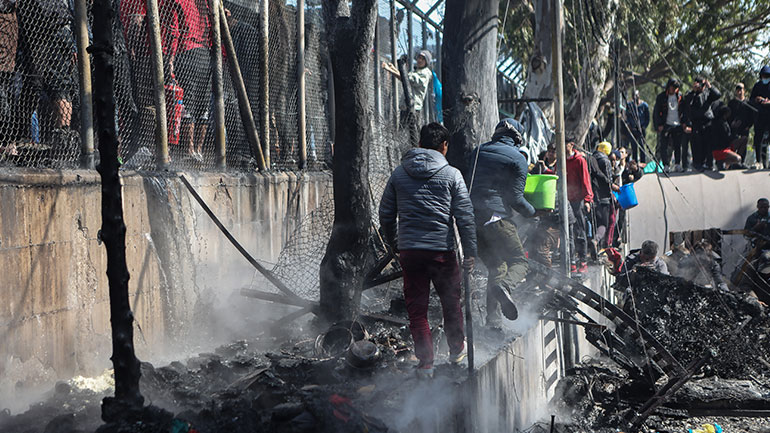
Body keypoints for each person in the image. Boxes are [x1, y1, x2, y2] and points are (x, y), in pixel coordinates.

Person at [379, 122, 476, 379]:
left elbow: (385, 214)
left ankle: (426, 365)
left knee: (417, 309)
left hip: (410, 252)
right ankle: (457, 353)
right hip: (442, 252)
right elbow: (465, 217)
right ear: (444, 146)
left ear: (420, 144)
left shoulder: (399, 174)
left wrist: (394, 243)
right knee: (451, 304)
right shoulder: (452, 175)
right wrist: (471, 252)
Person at [468, 118, 539, 328]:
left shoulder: (478, 151)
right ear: (517, 138)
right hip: (497, 219)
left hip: (472, 220)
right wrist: (533, 212)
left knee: (496, 266)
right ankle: (505, 287)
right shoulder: (518, 158)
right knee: (519, 261)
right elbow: (515, 198)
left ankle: (493, 322)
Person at [164, 0, 212, 161]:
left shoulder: (178, 2)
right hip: (205, 53)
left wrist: (170, 58)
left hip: (186, 51)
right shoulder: (204, 4)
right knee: (202, 104)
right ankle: (199, 150)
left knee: (187, 103)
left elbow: (174, 30)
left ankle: (189, 150)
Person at [565, 136, 594, 272]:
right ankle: (571, 261)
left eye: (565, 144)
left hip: (578, 200)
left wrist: (588, 200)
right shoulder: (562, 160)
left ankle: (583, 260)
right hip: (566, 200)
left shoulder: (580, 161)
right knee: (568, 232)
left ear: (571, 145)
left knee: (580, 230)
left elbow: (585, 180)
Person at [382, 50, 435, 120]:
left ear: (426, 62)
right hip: (406, 106)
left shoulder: (425, 73)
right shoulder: (416, 71)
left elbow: (406, 80)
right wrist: (393, 69)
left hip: (413, 107)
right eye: (419, 57)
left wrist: (389, 69)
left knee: (411, 130)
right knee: (402, 130)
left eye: (423, 59)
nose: (420, 60)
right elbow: (405, 78)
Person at [685, 76, 721, 171]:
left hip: (707, 122)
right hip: (696, 123)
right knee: (696, 145)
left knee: (708, 145)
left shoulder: (708, 94)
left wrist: (709, 86)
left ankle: (709, 164)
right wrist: (694, 91)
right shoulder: (691, 95)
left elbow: (718, 95)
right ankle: (697, 163)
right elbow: (687, 103)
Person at [653, 78, 690, 171]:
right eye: (672, 87)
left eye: (676, 88)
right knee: (664, 146)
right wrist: (658, 125)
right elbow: (656, 112)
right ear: (668, 87)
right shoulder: (661, 97)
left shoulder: (680, 97)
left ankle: (678, 164)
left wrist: (685, 123)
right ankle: (666, 165)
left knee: (677, 145)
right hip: (666, 125)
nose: (674, 90)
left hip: (677, 125)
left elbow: (685, 111)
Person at [588, 141, 618, 249]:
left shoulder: (591, 158)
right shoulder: (605, 160)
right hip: (603, 196)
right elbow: (607, 178)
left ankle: (593, 245)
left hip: (592, 195)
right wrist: (612, 185)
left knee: (594, 222)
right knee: (603, 224)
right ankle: (596, 242)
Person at [710, 104, 745, 169]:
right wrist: (734, 129)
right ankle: (726, 163)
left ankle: (729, 162)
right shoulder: (721, 124)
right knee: (738, 158)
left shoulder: (724, 122)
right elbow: (727, 138)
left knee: (744, 139)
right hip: (720, 149)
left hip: (726, 145)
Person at [750, 65, 770, 168]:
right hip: (760, 117)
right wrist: (757, 100)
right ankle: (759, 161)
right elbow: (751, 100)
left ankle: (768, 163)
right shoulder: (757, 86)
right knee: (759, 140)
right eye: (763, 76)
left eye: (767, 76)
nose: (765, 78)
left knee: (768, 140)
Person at [728, 83, 754, 161]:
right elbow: (728, 115)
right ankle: (732, 161)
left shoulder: (748, 103)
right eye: (738, 90)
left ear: (744, 91)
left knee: (743, 144)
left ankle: (741, 161)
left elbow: (752, 117)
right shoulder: (732, 103)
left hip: (744, 128)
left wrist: (748, 126)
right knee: (733, 144)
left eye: (741, 90)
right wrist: (731, 123)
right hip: (734, 128)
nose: (739, 92)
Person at [625, 90, 650, 162]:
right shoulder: (630, 105)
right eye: (633, 96)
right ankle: (635, 163)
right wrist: (629, 124)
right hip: (633, 129)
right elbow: (627, 116)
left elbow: (647, 118)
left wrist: (644, 126)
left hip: (641, 129)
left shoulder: (644, 105)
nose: (635, 97)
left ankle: (643, 163)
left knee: (642, 146)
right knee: (634, 147)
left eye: (636, 95)